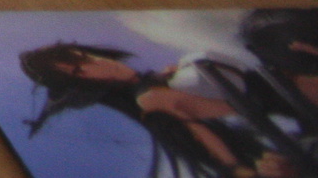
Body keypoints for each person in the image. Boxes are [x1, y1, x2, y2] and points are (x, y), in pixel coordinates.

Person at [21, 42, 305, 178]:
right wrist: (237, 168)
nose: (97, 65)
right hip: (277, 106)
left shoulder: (158, 81)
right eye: (79, 72)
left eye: (85, 58)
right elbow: (199, 130)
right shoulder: (150, 98)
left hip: (282, 100)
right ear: (81, 84)